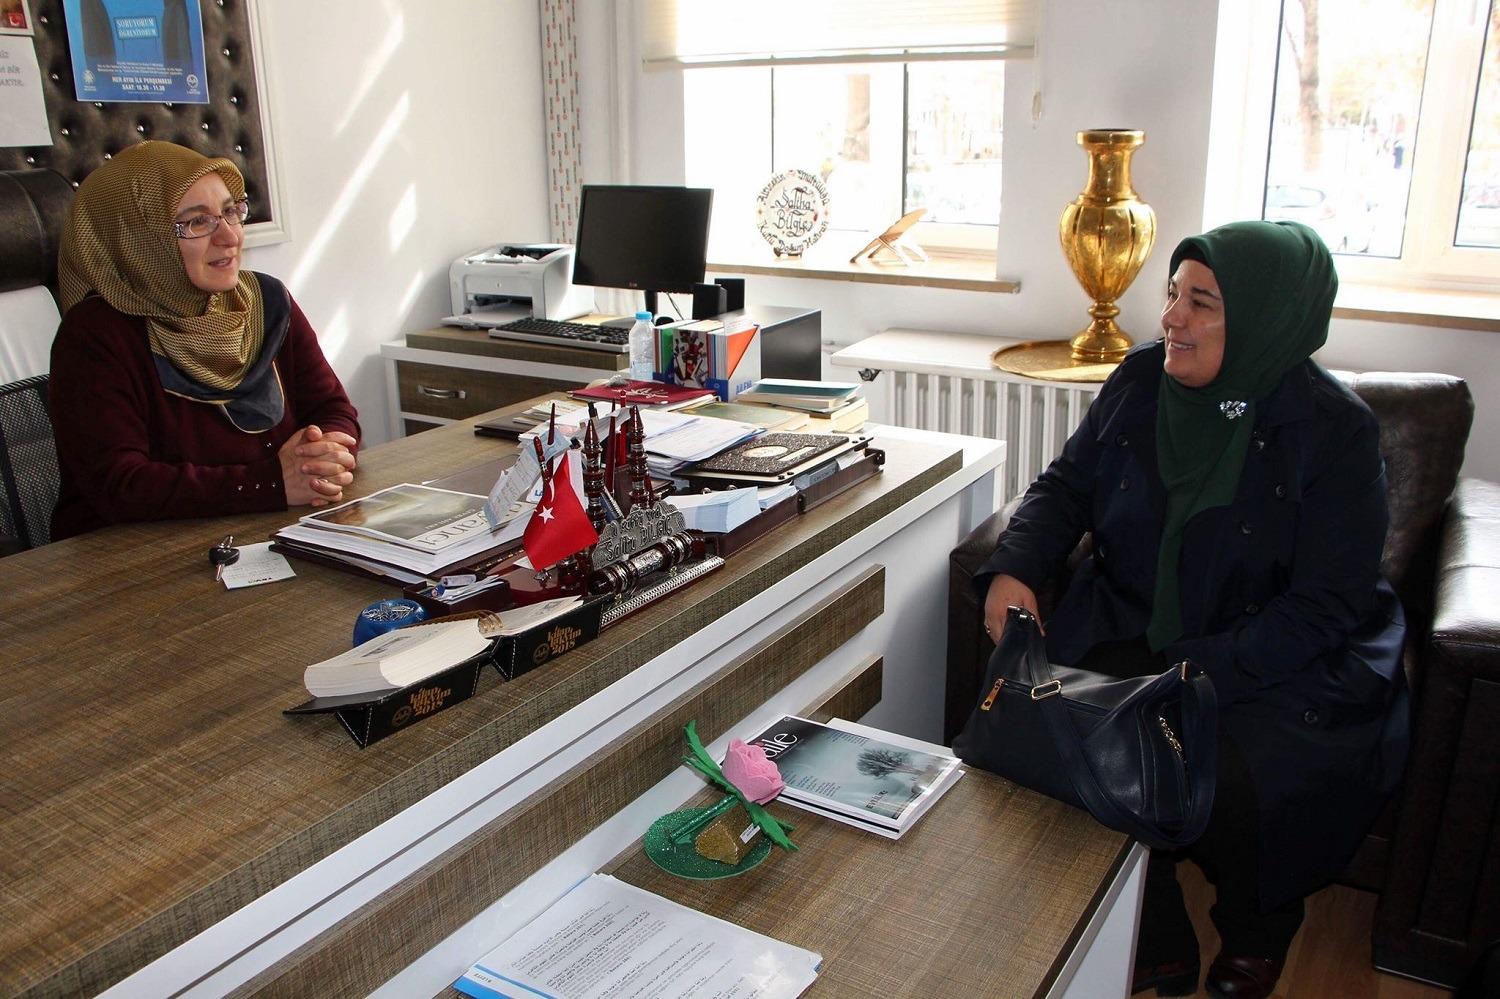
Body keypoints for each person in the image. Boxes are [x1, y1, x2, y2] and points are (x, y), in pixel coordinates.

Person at [976, 221, 1408, 999]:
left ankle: (1258, 924)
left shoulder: (1335, 429)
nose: (1171, 316)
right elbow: (1065, 486)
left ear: (1267, 317)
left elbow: (1328, 603)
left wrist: (1195, 673)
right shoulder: (1141, 379)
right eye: (1174, 293)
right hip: (1136, 619)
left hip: (1276, 651)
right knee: (1061, 723)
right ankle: (1158, 926)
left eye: (1201, 302)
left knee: (1242, 772)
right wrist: (1014, 568)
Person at [49, 141, 360, 540]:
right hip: (133, 554)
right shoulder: (94, 335)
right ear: (140, 239)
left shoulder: (266, 301)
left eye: (231, 211)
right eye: (197, 221)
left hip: (266, 528)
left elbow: (333, 408)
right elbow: (121, 485)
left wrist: (324, 453)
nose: (230, 236)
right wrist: (270, 482)